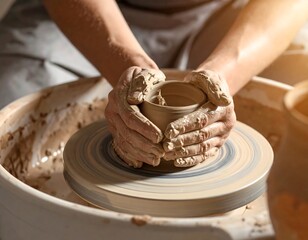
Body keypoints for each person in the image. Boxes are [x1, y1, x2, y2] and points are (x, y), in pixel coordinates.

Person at [1, 0, 308, 167]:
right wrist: (128, 66)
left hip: (231, 16)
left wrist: (222, 76)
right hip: (93, 14)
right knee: (13, 92)